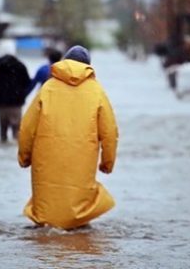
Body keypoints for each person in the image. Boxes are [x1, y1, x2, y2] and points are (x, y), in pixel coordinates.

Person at [17, 45, 119, 229]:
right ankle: (76, 236)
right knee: (79, 206)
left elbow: (27, 127)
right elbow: (110, 132)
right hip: (82, 158)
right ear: (88, 66)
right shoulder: (96, 92)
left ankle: (45, 238)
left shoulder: (47, 88)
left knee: (47, 209)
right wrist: (107, 163)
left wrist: (24, 157)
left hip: (47, 158)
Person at [0, 54, 31, 142]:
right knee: (16, 130)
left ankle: (3, 145)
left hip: (1, 104)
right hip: (16, 103)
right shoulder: (20, 67)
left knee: (3, 130)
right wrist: (22, 96)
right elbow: (27, 83)